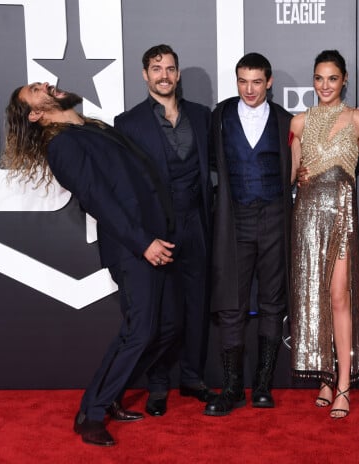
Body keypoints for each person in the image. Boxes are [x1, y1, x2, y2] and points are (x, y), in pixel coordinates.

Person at [3, 83, 180, 446]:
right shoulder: (63, 145)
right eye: (35, 90)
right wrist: (141, 242)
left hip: (155, 236)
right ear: (35, 114)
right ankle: (92, 413)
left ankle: (110, 393)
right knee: (141, 330)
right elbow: (99, 200)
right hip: (132, 246)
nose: (44, 84)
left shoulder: (90, 127)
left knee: (165, 326)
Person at [114, 44, 215, 417]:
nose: (164, 75)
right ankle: (158, 386)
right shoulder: (128, 124)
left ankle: (192, 377)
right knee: (161, 310)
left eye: (170, 68)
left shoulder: (203, 117)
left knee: (197, 304)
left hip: (197, 224)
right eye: (156, 69)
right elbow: (122, 185)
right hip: (157, 230)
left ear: (178, 74)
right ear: (145, 74)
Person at [205, 53, 293, 416]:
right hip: (234, 218)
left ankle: (262, 387)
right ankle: (230, 388)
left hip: (275, 217)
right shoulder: (220, 117)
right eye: (243, 81)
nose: (249, 89)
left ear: (269, 82)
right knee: (231, 305)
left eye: (257, 81)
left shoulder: (287, 120)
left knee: (273, 302)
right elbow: (211, 163)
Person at [290, 50, 359, 419]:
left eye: (332, 78)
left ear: (344, 80)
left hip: (341, 218)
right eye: (319, 78)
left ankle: (342, 383)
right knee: (315, 299)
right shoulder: (298, 123)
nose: (325, 85)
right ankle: (324, 376)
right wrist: (301, 174)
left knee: (339, 297)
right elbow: (291, 174)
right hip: (306, 218)